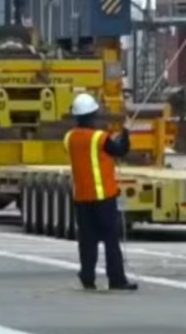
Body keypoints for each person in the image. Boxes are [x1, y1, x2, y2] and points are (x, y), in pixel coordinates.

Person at [63, 93, 138, 291]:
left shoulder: (69, 138)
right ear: (92, 115)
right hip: (103, 196)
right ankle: (117, 279)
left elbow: (92, 151)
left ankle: (87, 277)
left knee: (87, 241)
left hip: (81, 197)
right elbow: (120, 150)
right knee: (110, 240)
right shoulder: (99, 138)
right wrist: (126, 132)